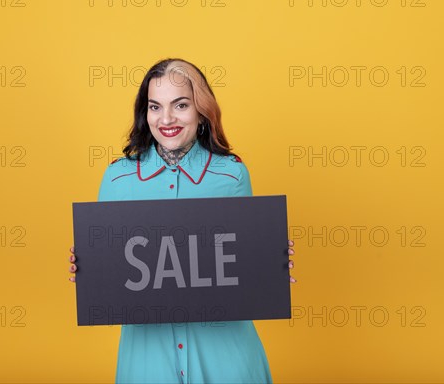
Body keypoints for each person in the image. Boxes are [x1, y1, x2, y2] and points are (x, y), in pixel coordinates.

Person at [68, 58, 297, 384]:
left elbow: (242, 264)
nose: (167, 119)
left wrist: (267, 265)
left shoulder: (231, 174)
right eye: (155, 107)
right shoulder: (117, 179)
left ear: (201, 110)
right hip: (147, 364)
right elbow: (111, 275)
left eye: (181, 105)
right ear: (144, 113)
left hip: (227, 362)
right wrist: (90, 270)